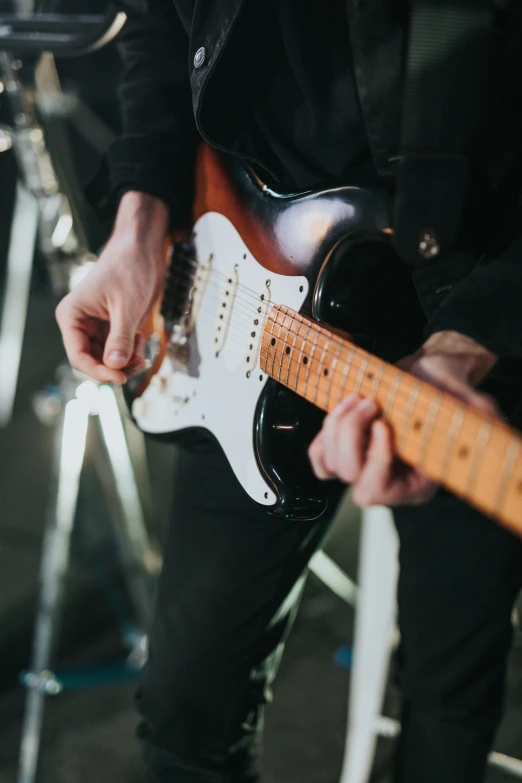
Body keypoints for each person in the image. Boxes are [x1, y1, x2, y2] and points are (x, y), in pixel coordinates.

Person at [55, 1, 522, 781]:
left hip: (478, 288)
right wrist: (139, 220)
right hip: (243, 253)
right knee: (183, 709)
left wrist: (470, 336)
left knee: (449, 699)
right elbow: (158, 23)